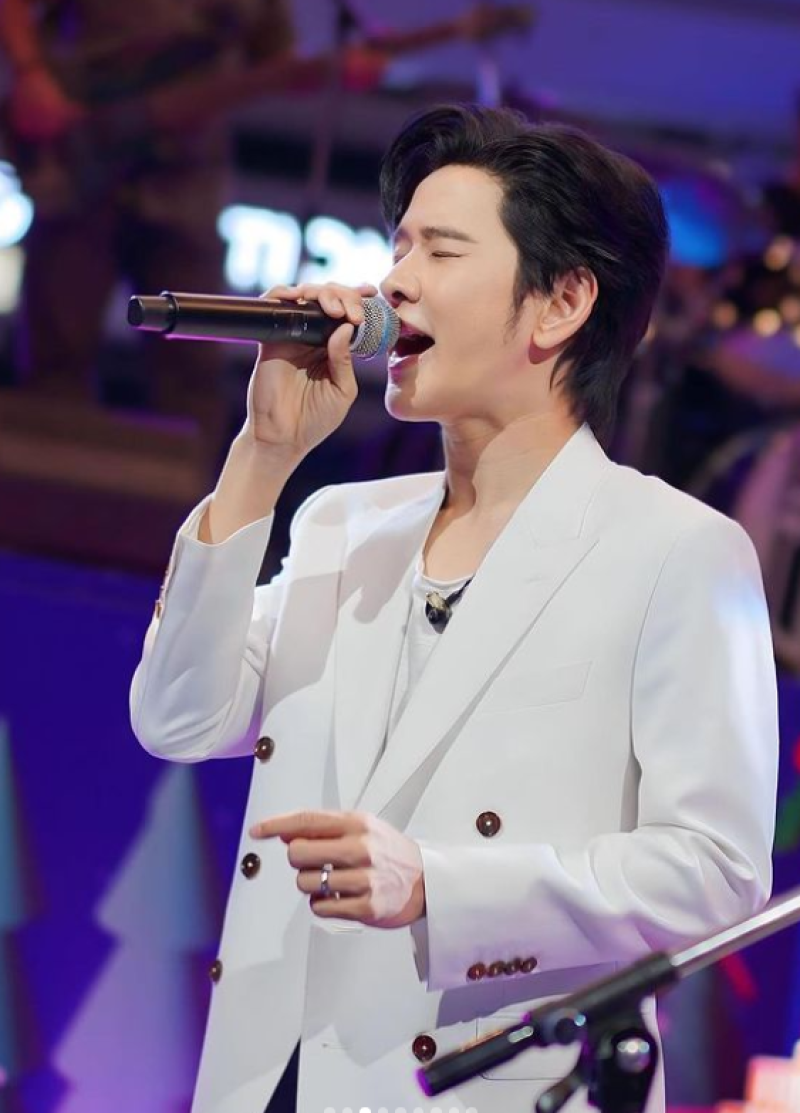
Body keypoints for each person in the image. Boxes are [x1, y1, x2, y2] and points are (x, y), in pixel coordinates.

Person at [130, 104, 779, 1113]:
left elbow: (714, 871)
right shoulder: (343, 524)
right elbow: (177, 718)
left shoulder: (676, 551)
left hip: (481, 1084)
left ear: (560, 303)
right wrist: (261, 459)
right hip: (273, 1076)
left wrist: (439, 886)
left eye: (439, 250)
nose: (392, 282)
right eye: (396, 248)